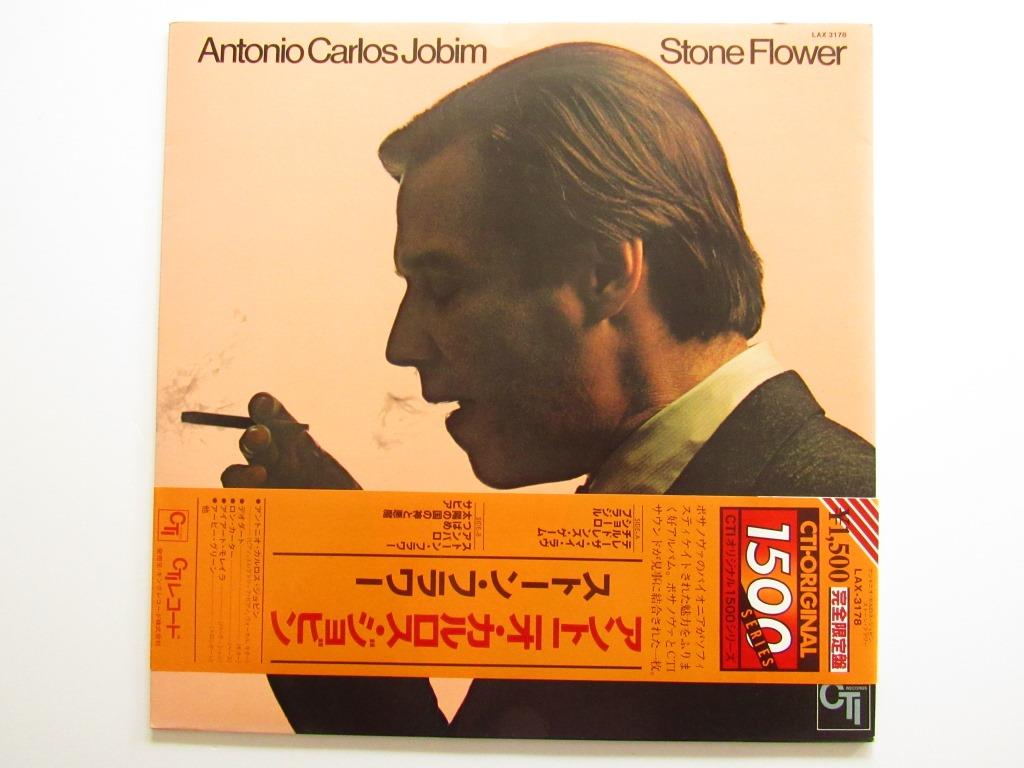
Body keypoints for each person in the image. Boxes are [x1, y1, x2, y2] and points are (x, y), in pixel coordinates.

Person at [221, 42, 874, 739]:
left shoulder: (838, 537)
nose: (402, 345)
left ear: (605, 272)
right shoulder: (765, 520)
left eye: (443, 287)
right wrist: (337, 597)